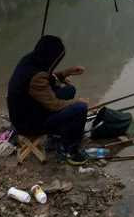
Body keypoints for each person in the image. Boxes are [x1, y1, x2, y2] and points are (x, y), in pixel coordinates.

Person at [7, 35, 88, 165]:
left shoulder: (29, 60)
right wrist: (77, 102)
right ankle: (70, 151)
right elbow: (54, 105)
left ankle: (58, 134)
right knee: (80, 108)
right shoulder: (37, 77)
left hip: (24, 112)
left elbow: (46, 79)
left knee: (69, 90)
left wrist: (66, 72)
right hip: (28, 125)